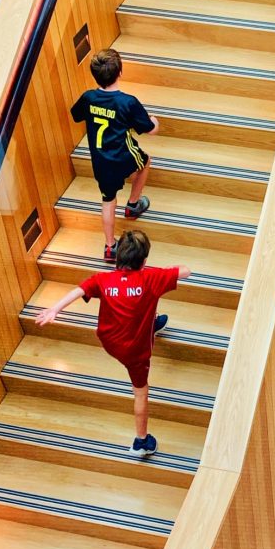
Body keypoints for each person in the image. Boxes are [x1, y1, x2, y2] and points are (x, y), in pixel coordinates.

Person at [36, 230, 190, 457]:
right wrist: (159, 271)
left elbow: (79, 290)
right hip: (135, 351)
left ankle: (153, 322)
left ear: (118, 259)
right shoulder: (151, 278)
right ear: (144, 261)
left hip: (110, 340)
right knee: (141, 392)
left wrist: (54, 309)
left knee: (146, 301)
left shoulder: (103, 280)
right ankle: (141, 442)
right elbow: (186, 272)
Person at [71, 48, 159, 261]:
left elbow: (76, 116)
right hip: (122, 154)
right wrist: (155, 120)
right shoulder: (127, 102)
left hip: (101, 161)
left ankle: (110, 247)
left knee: (107, 200)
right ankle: (133, 204)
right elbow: (150, 129)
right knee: (145, 161)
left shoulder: (88, 97)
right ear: (120, 72)